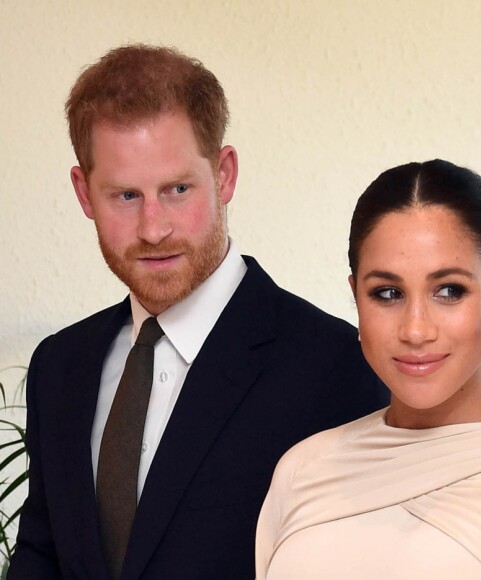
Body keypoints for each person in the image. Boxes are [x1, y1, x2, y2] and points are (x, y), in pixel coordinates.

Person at [8, 44, 388, 580]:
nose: (153, 227)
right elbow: (41, 555)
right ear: (83, 193)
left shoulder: (334, 367)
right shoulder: (59, 366)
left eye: (177, 189)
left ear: (225, 174)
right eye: (124, 196)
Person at [256, 160, 481, 579]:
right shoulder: (301, 471)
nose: (415, 329)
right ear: (356, 296)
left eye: (449, 291)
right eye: (387, 293)